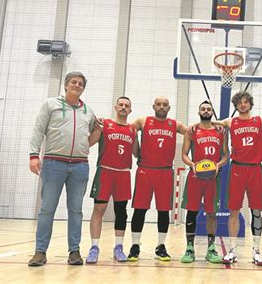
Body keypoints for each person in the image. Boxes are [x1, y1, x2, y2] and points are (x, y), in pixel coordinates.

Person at [28, 72, 96, 266]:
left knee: (76, 210)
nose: (77, 85)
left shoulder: (88, 111)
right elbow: (39, 130)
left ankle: (74, 251)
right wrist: (34, 156)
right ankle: (40, 252)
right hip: (53, 164)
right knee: (47, 209)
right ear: (66, 85)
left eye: (80, 83)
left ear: (84, 88)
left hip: (80, 166)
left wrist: (94, 136)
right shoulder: (50, 105)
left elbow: (91, 135)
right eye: (73, 82)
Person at [211, 91, 262, 266]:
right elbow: (211, 123)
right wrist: (195, 125)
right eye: (240, 103)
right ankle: (232, 250)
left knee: (256, 210)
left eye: (246, 102)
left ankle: (256, 251)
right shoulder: (230, 121)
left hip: (255, 169)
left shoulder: (261, 120)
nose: (243, 104)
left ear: (250, 104)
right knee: (234, 210)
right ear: (236, 106)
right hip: (237, 168)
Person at [127, 97, 187, 262]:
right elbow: (127, 130)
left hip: (165, 172)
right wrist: (136, 150)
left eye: (165, 105)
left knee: (163, 211)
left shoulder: (174, 124)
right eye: (158, 104)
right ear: (153, 106)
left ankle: (161, 246)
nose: (161, 107)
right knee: (140, 209)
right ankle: (135, 245)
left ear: (169, 108)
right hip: (145, 170)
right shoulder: (143, 121)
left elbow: (192, 132)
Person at [85, 96, 139, 264]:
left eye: (127, 106)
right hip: (105, 172)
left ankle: (119, 248)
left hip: (123, 174)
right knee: (99, 209)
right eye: (121, 105)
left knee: (121, 212)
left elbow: (137, 154)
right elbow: (89, 143)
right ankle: (94, 248)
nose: (123, 107)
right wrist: (95, 129)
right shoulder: (105, 124)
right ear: (115, 107)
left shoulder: (132, 130)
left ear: (130, 110)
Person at [179, 101, 229, 264]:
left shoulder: (221, 132)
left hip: (213, 178)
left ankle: (211, 248)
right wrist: (192, 165)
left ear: (212, 112)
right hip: (195, 177)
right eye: (203, 109)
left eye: (208, 109)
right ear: (198, 111)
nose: (206, 111)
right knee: (192, 212)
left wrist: (218, 165)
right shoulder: (191, 131)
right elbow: (184, 154)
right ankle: (189, 248)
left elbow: (226, 156)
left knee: (212, 213)